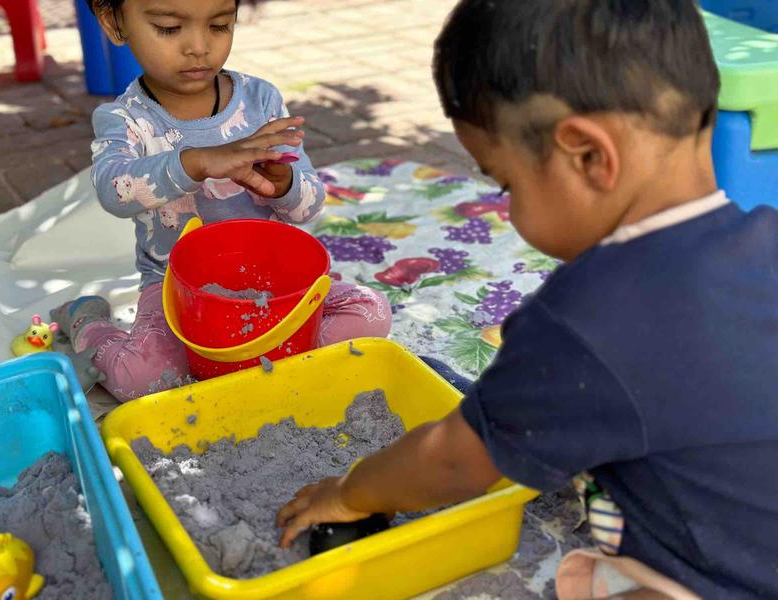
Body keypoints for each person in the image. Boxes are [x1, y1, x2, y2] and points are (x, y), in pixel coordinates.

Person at [276, 1, 778, 598]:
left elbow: (455, 461)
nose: (508, 209)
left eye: (506, 184)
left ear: (589, 157)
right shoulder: (766, 237)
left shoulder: (585, 323)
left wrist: (351, 491)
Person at [52, 0, 391, 402]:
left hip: (274, 289)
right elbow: (114, 190)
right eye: (168, 28)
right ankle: (87, 322)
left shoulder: (260, 101)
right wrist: (196, 162)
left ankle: (245, 357)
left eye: (219, 25)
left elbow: (310, 208)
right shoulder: (124, 119)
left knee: (370, 313)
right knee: (144, 379)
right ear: (114, 23)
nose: (199, 47)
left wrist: (284, 184)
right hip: (177, 293)